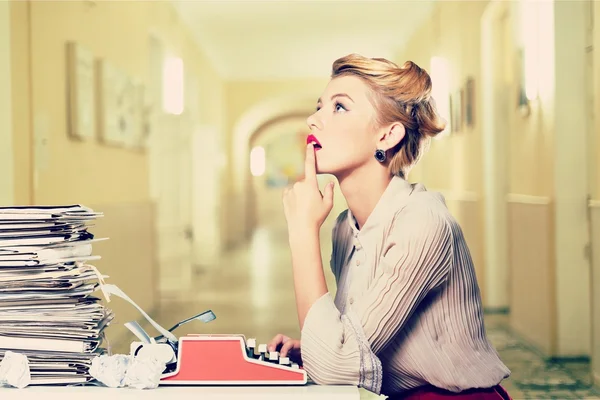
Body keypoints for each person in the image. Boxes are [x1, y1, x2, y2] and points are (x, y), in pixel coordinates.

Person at [268, 54, 512, 400]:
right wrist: (311, 348)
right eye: (319, 106)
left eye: (339, 108)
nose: (313, 119)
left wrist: (302, 232)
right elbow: (350, 346)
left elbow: (336, 368)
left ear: (387, 135)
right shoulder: (345, 227)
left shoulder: (423, 221)